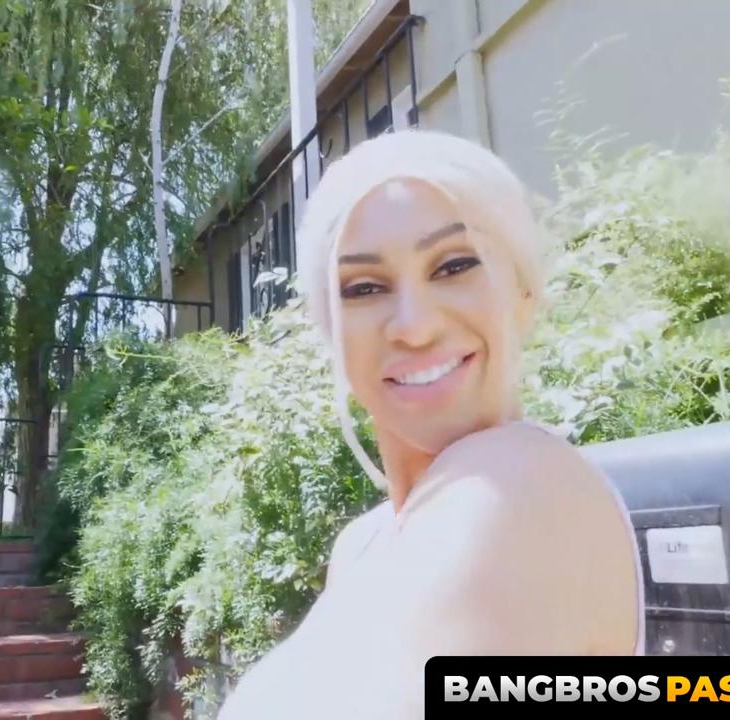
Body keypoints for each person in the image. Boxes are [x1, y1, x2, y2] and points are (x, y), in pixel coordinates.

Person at [215, 129, 644, 720]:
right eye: (364, 288)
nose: (414, 327)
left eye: (454, 266)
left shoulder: (513, 484)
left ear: (524, 294)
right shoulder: (361, 545)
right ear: (332, 332)